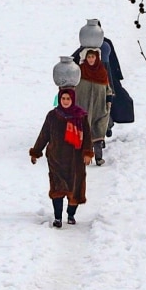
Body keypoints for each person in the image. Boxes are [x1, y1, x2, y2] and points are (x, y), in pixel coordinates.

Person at [30, 88, 93, 228]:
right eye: (63, 99)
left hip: (75, 160)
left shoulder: (81, 116)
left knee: (75, 189)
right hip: (56, 158)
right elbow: (44, 135)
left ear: (72, 100)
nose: (65, 101)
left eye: (68, 99)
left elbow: (87, 136)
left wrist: (87, 153)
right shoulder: (52, 116)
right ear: (59, 99)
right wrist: (36, 152)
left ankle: (71, 214)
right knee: (57, 188)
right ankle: (58, 217)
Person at [75, 48, 112, 166]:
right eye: (89, 57)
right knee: (83, 130)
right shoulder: (80, 71)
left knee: (98, 131)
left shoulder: (102, 72)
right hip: (82, 106)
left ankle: (98, 157)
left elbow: (107, 89)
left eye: (93, 57)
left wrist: (108, 101)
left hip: (99, 106)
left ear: (97, 58)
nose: (91, 59)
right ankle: (82, 157)